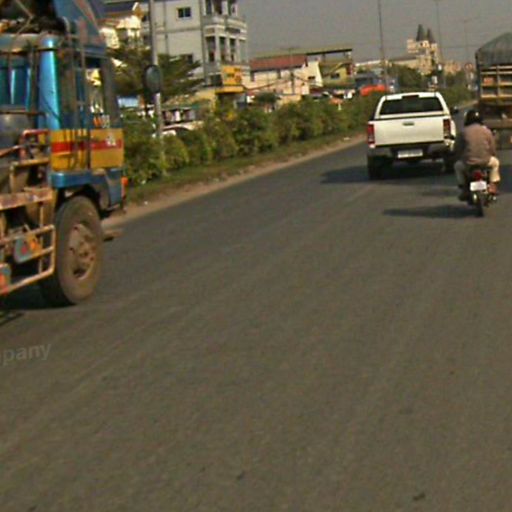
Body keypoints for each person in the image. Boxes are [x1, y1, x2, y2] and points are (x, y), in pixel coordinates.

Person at [454, 109, 500, 201]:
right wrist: (493, 154)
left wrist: (459, 156)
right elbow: (492, 146)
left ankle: (464, 188)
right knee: (495, 164)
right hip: (485, 161)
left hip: (468, 162)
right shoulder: (486, 131)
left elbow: (458, 148)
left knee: (457, 166)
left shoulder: (463, 132)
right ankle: (492, 186)